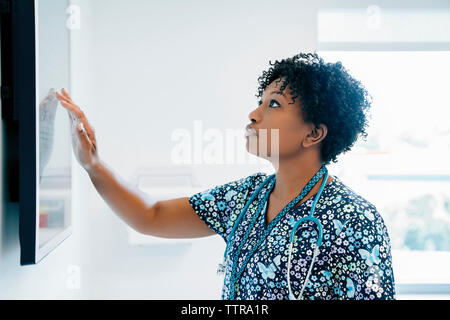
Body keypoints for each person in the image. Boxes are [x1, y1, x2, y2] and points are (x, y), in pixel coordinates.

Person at [55, 52, 396, 300]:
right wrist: (93, 165)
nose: (253, 114)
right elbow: (152, 216)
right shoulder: (247, 197)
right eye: (260, 102)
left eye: (273, 105)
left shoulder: (356, 220)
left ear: (314, 134)